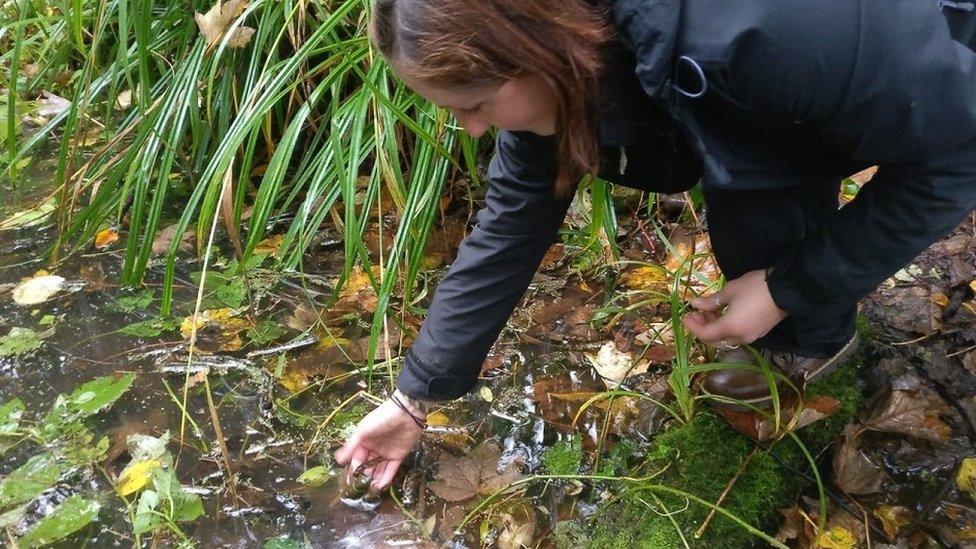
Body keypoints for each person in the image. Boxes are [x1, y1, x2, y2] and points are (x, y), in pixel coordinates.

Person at [336, 0, 976, 491]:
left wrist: (787, 290)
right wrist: (413, 400)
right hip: (812, 83)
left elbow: (957, 156)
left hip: (937, 51)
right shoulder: (567, 53)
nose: (471, 128)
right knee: (749, 185)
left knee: (758, 204)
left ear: (540, 47)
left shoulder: (752, 40)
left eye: (475, 105)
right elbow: (509, 227)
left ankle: (813, 350)